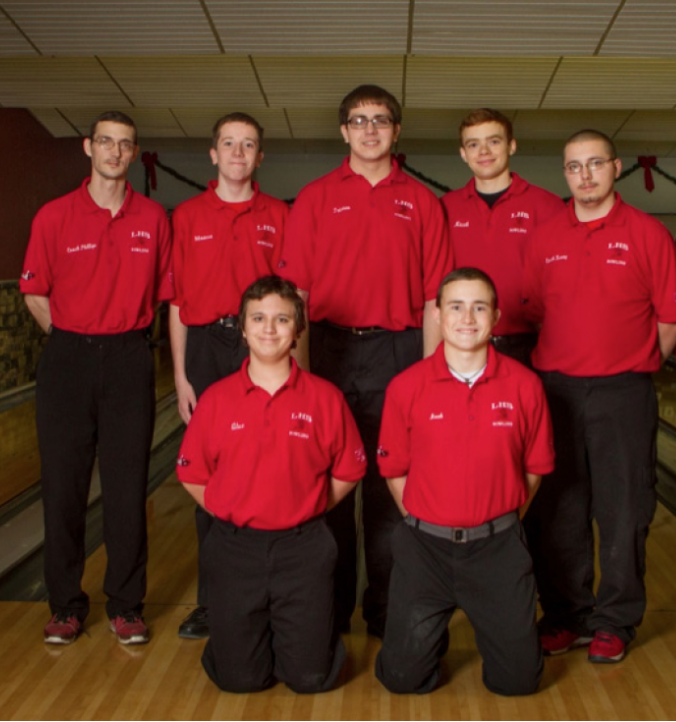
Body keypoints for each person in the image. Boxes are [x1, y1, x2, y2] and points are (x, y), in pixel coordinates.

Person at [279, 84, 453, 637]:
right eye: (359, 120)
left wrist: (431, 378)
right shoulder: (314, 197)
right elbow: (297, 296)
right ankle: (329, 611)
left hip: (399, 353)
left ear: (396, 131)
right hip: (328, 349)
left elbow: (434, 301)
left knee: (389, 486)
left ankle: (385, 610)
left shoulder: (423, 201)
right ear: (344, 131)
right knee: (325, 483)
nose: (370, 129)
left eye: (380, 120)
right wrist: (297, 375)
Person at [522, 129, 676, 663]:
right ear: (565, 174)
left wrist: (637, 363)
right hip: (557, 390)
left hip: (623, 391)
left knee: (624, 508)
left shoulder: (647, 233)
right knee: (560, 509)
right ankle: (568, 615)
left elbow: (672, 316)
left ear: (617, 168)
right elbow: (533, 310)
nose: (585, 175)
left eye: (595, 164)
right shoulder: (546, 234)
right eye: (574, 166)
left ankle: (615, 620)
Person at [20, 110, 173, 645]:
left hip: (129, 357)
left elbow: (162, 292)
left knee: (128, 489)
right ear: (88, 147)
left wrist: (115, 340)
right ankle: (65, 605)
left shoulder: (153, 218)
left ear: (133, 154)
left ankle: (127, 606)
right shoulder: (53, 216)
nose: (114, 151)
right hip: (68, 359)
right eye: (105, 142)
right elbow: (35, 292)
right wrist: (72, 338)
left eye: (125, 144)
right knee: (63, 487)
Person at [176, 276, 366, 693]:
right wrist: (234, 509)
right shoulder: (217, 399)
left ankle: (302, 643)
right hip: (235, 548)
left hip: (303, 548)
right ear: (242, 328)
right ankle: (237, 647)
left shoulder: (325, 398)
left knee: (310, 679)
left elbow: (349, 471)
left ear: (298, 329)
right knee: (239, 680)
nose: (269, 328)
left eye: (281, 319)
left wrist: (307, 507)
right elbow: (191, 475)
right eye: (258, 318)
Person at [374, 268, 553, 695]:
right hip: (425, 550)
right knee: (402, 679)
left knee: (518, 682)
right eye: (455, 306)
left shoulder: (526, 386)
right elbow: (394, 470)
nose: (467, 317)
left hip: (498, 550)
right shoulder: (406, 387)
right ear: (437, 314)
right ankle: (426, 637)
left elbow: (534, 469)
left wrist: (495, 520)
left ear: (496, 315)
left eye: (478, 307)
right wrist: (429, 519)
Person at [169, 112, 288, 640]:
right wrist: (179, 375)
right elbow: (177, 301)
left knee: (267, 466)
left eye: (249, 145)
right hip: (204, 348)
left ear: (260, 157)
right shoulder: (187, 215)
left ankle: (275, 594)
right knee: (210, 474)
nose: (238, 153)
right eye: (228, 144)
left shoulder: (279, 214)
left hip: (260, 343)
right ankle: (212, 602)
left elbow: (291, 302)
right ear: (213, 155)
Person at [441, 108, 565, 366]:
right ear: (463, 154)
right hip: (461, 343)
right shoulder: (444, 208)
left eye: (493, 141)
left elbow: (566, 283)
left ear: (511, 146)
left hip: (528, 344)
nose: (483, 151)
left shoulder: (548, 207)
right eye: (474, 144)